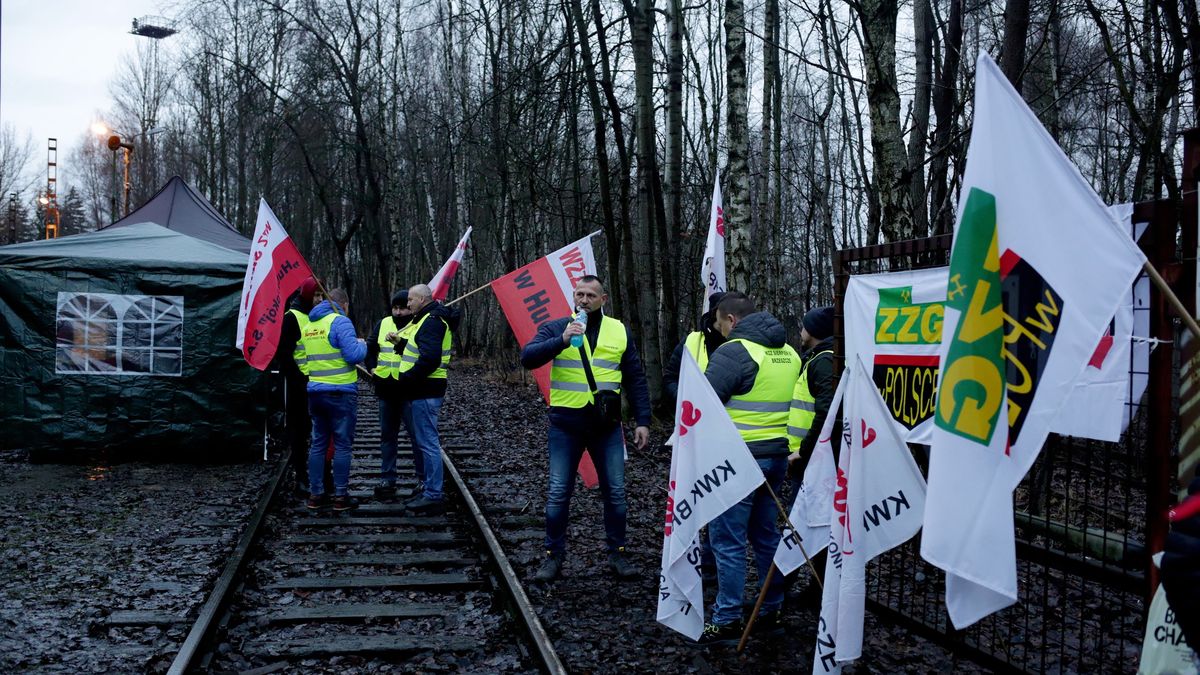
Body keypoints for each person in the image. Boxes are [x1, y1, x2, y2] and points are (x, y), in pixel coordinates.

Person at [520, 275, 652, 583]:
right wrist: (562, 340)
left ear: (603, 300)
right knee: (557, 494)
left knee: (616, 494)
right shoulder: (557, 327)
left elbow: (634, 376)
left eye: (591, 295)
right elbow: (528, 357)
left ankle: (617, 554)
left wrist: (643, 420)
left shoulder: (618, 330)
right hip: (566, 424)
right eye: (579, 294)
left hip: (606, 426)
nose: (583, 300)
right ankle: (553, 558)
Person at [698, 293, 801, 646]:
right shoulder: (788, 352)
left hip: (738, 461)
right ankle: (770, 608)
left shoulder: (734, 352)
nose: (718, 329)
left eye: (718, 322)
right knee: (765, 534)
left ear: (731, 320)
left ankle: (727, 619)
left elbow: (704, 402)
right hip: (775, 459)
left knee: (727, 541)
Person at [395, 283, 462, 515]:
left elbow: (430, 359)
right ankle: (429, 489)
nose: (408, 304)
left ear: (422, 300)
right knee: (426, 441)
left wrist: (407, 379)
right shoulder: (426, 320)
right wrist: (401, 345)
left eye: (411, 300)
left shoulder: (432, 322)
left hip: (425, 390)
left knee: (428, 443)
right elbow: (421, 350)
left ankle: (433, 494)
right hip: (424, 390)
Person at [301, 287, 367, 511]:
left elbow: (302, 357)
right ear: (344, 305)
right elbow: (354, 356)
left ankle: (316, 495)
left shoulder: (309, 325)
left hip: (315, 392)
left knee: (318, 444)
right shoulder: (340, 322)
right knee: (342, 446)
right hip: (339, 393)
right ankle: (340, 497)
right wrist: (362, 344)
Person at [365, 290, 416, 500]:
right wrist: (371, 368)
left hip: (409, 390)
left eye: (402, 308)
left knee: (416, 437)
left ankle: (423, 480)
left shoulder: (416, 326)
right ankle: (387, 478)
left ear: (410, 308)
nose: (398, 312)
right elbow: (370, 348)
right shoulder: (383, 323)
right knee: (387, 437)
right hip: (386, 389)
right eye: (395, 308)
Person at [275, 276, 322, 497]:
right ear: (306, 294)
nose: (319, 298)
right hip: (300, 385)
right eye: (316, 294)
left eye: (321, 295)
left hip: (319, 384)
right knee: (300, 432)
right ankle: (301, 477)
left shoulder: (319, 316)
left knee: (320, 433)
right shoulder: (293, 318)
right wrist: (297, 378)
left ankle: (320, 476)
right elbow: (284, 354)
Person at [663, 291, 727, 407]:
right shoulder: (691, 341)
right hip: (694, 417)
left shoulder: (742, 342)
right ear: (714, 314)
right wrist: (682, 399)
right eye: (724, 312)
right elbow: (670, 378)